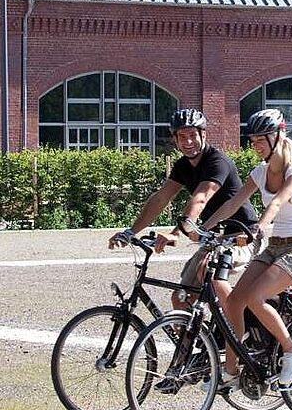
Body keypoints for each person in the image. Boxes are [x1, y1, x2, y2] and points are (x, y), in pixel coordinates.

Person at [201, 108, 292, 388]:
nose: (255, 146)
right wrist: (202, 227)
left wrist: (258, 227)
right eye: (252, 140)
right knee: (233, 302)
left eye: (260, 140)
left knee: (255, 297)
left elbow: (278, 202)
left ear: (278, 136)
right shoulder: (260, 172)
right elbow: (232, 204)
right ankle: (230, 370)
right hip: (276, 247)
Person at [107, 108, 257, 310]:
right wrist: (130, 232)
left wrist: (176, 233)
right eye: (182, 137)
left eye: (192, 136)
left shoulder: (217, 161)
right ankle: (200, 339)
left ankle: (236, 328)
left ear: (203, 134)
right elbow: (161, 198)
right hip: (213, 238)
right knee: (181, 299)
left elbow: (201, 198)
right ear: (175, 139)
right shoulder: (183, 166)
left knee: (208, 273)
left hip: (241, 235)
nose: (188, 142)